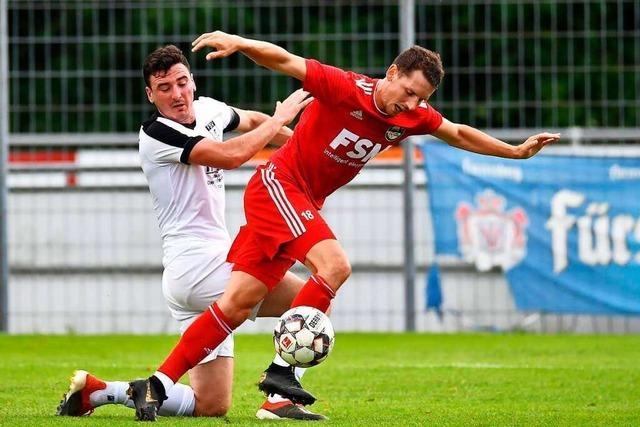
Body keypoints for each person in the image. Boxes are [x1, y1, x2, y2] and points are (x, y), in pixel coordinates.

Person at [126, 32, 561, 421]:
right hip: (278, 186)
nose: (410, 105)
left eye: (420, 99)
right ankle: (280, 373)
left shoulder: (413, 114)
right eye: (407, 92)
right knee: (334, 266)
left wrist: (515, 152)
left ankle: (163, 384)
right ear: (392, 73)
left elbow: (458, 132)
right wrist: (239, 43)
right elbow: (286, 61)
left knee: (240, 304)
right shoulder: (345, 86)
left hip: (299, 202)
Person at [55, 44, 327, 421]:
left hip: (202, 273)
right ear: (151, 95)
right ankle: (281, 393)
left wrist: (301, 142)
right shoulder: (156, 133)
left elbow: (247, 119)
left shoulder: (210, 109)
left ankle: (102, 392)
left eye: (182, 83)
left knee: (212, 404)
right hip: (198, 267)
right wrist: (280, 118)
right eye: (164, 88)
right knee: (310, 296)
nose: (177, 94)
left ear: (193, 82)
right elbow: (231, 157)